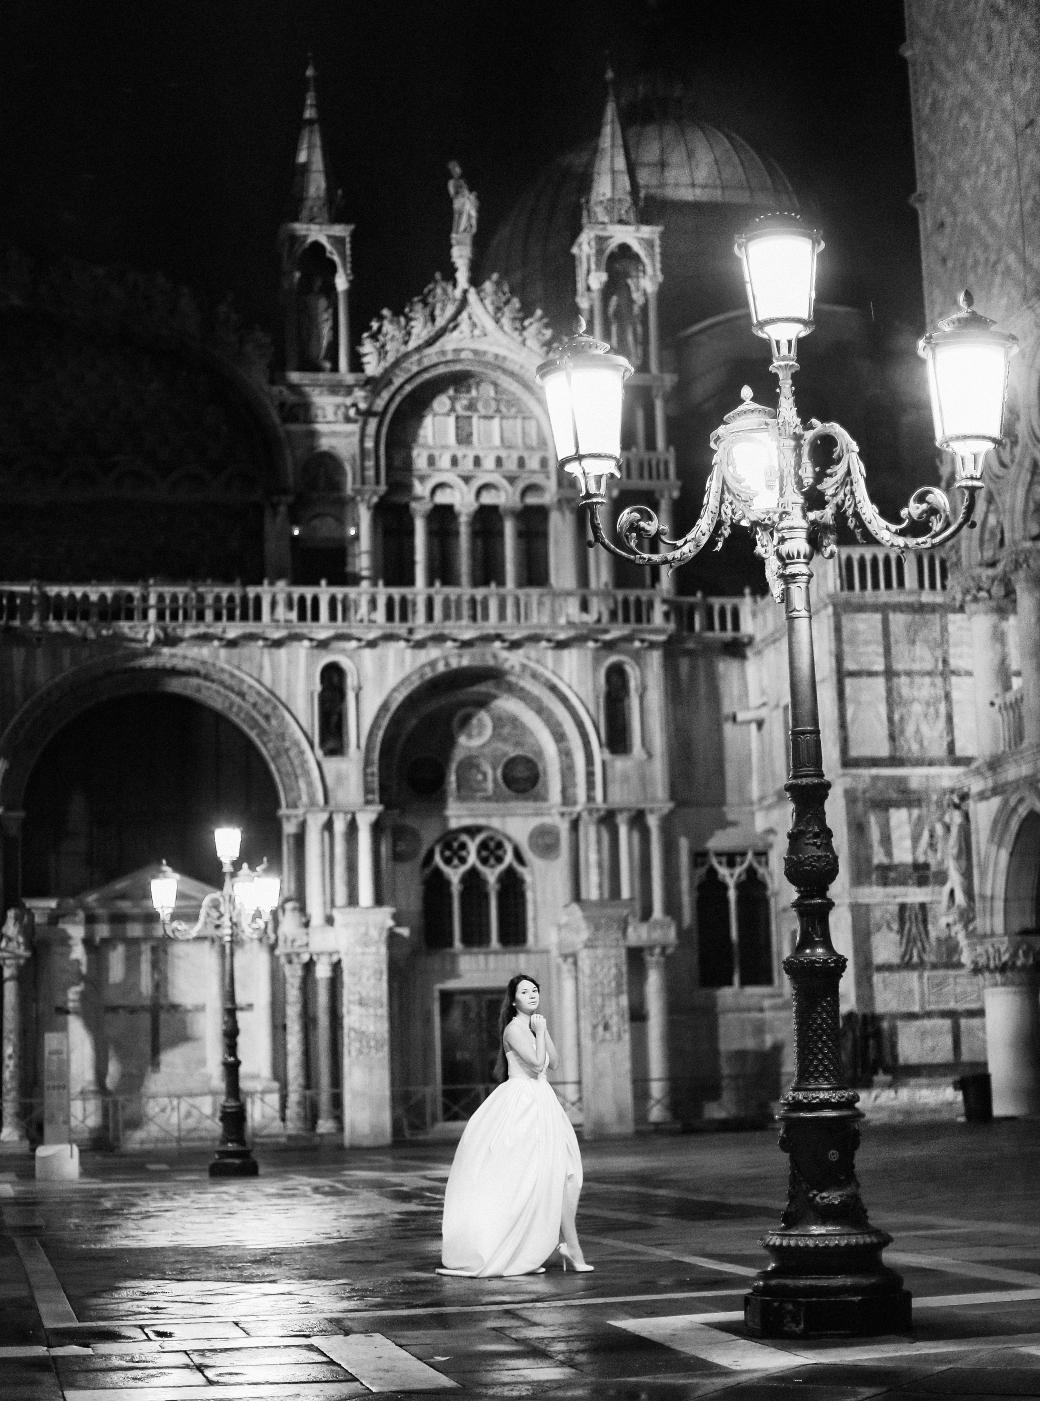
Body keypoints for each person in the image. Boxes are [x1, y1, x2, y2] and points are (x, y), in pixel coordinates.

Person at [438, 972, 591, 1277]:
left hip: (544, 1102)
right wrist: (540, 1030)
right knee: (527, 1180)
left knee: (566, 1175)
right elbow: (535, 1064)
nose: (532, 995)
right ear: (514, 999)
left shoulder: (534, 1024)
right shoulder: (512, 1029)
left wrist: (543, 1030)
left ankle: (569, 1245)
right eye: (525, 991)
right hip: (523, 1105)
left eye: (535, 990)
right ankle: (542, 1247)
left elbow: (554, 1062)